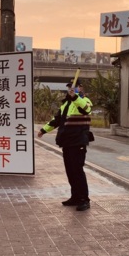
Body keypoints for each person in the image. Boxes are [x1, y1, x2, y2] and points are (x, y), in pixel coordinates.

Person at [37, 79, 93, 211]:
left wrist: (75, 97)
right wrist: (43, 130)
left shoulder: (85, 101)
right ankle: (75, 197)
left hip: (78, 141)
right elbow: (56, 120)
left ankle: (84, 199)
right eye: (69, 87)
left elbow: (86, 110)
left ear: (80, 88)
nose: (71, 89)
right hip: (67, 142)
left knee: (77, 171)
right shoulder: (66, 104)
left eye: (74, 87)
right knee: (70, 171)